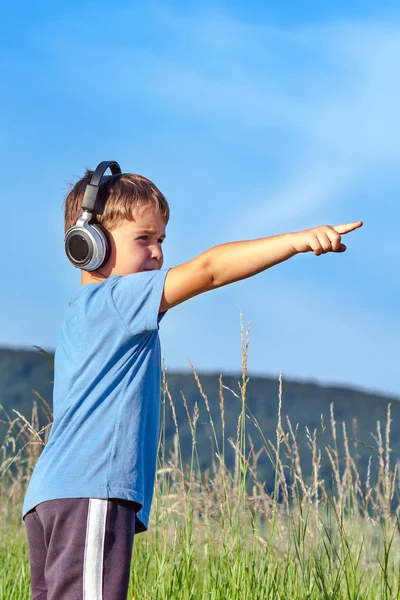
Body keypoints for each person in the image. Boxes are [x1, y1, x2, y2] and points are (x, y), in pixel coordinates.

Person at [22, 160, 363, 599]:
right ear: (87, 244)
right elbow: (209, 270)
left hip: (51, 497)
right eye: (143, 239)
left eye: (161, 239)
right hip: (90, 488)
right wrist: (296, 241)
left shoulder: (84, 310)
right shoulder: (119, 300)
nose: (158, 253)